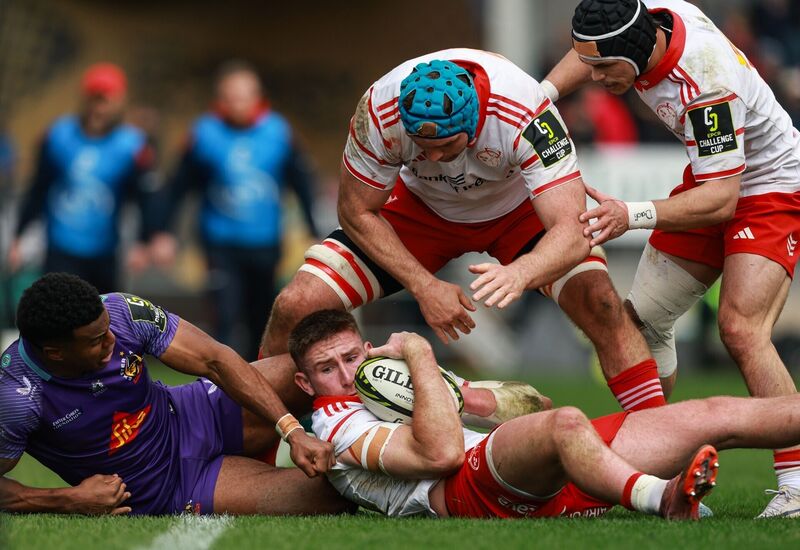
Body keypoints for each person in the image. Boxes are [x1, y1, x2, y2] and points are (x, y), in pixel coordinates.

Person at [260, 48, 667, 414]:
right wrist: (424, 286)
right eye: (422, 146)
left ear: (473, 122)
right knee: (297, 303)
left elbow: (571, 229)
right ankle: (252, 442)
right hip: (421, 211)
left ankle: (656, 447)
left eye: (446, 145)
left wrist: (521, 272)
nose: (433, 155)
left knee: (601, 303)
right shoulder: (380, 110)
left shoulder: (526, 112)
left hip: (518, 210)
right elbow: (355, 211)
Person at [542, 0, 800, 516]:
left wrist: (630, 215)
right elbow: (590, 52)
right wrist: (541, 96)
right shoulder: (644, 21)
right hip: (711, 177)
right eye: (586, 65)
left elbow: (724, 200)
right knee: (641, 324)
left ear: (637, 51)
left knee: (741, 329)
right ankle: (660, 475)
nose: (592, 78)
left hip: (768, 187)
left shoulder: (705, 87)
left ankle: (798, 483)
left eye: (603, 69)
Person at [289, 308, 800, 520]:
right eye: (325, 367)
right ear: (305, 383)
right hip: (468, 490)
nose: (343, 372)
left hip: (524, 466)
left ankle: (629, 485)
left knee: (714, 413)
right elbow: (442, 454)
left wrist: (463, 393)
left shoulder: (394, 377)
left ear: (367, 348)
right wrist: (423, 357)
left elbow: (536, 405)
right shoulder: (334, 425)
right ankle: (659, 496)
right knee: (567, 424)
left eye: (351, 356)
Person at [0, 273, 349, 516]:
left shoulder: (122, 312)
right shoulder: (16, 397)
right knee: (336, 495)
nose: (111, 341)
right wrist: (69, 499)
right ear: (55, 352)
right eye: (96, 341)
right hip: (174, 488)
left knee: (320, 366)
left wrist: (292, 430)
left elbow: (215, 359)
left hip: (195, 411)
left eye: (107, 330)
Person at [156, 60, 319, 360]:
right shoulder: (204, 134)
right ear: (220, 99)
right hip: (220, 244)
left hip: (266, 243)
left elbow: (302, 183)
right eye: (230, 97)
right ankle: (223, 394)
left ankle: (262, 388)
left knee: (263, 319)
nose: (238, 104)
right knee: (226, 319)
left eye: (244, 96)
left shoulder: (278, 132)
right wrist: (163, 233)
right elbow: (178, 186)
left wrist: (312, 229)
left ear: (257, 96)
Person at [7, 63, 163, 294]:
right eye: (94, 99)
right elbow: (39, 188)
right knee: (58, 316)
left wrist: (145, 241)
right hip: (60, 247)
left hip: (106, 251)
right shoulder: (59, 135)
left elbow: (145, 197)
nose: (99, 109)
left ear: (120, 101)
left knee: (105, 319)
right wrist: (19, 235)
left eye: (106, 101)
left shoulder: (132, 145)